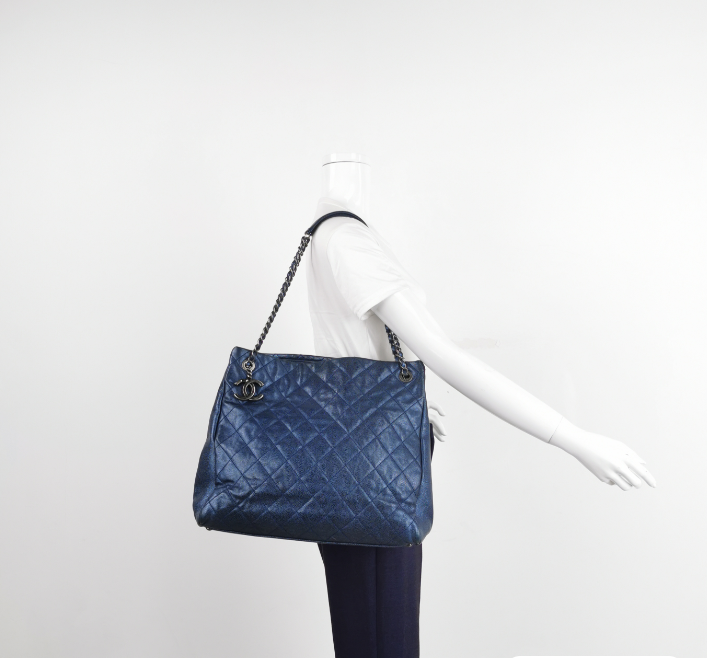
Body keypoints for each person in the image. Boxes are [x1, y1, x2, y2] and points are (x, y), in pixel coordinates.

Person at [304, 153, 657, 658]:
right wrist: (574, 439)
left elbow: (350, 348)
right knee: (384, 636)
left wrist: (393, 402)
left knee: (369, 630)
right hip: (372, 465)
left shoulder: (329, 230)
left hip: (354, 454)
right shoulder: (346, 239)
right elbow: (444, 356)